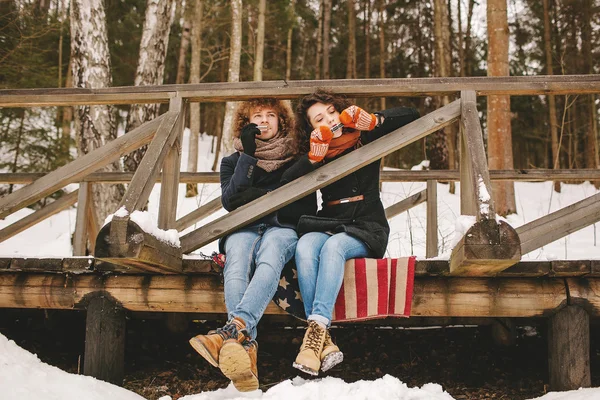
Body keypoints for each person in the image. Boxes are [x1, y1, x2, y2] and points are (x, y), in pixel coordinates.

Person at [287, 89, 420, 376]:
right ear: (311, 128)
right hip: (330, 218)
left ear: (341, 110)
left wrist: (374, 120)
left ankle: (315, 331)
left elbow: (412, 114)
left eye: (331, 112)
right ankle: (324, 341)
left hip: (367, 223)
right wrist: (312, 159)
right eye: (319, 119)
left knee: (334, 247)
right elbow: (286, 182)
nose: (329, 120)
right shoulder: (317, 148)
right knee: (306, 245)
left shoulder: (364, 135)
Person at [189, 98, 315, 392]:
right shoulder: (233, 161)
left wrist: (257, 194)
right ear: (246, 123)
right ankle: (246, 348)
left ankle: (233, 333)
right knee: (236, 263)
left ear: (281, 121)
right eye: (257, 115)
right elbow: (231, 201)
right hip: (244, 229)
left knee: (271, 256)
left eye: (271, 115)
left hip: (283, 228)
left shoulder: (297, 156)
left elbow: (302, 205)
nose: (265, 120)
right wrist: (248, 156)